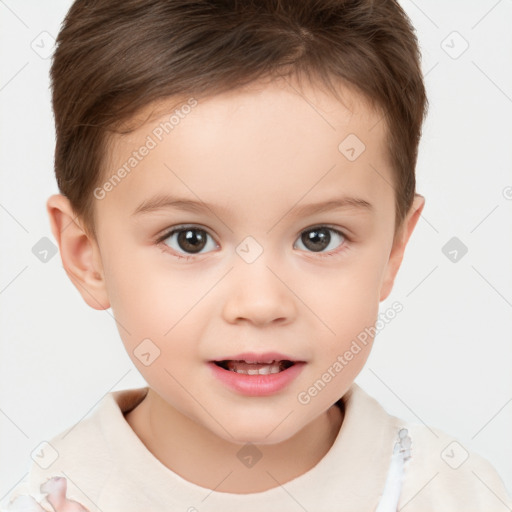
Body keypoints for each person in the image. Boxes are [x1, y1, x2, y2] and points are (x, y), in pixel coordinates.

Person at [3, 0, 511, 510]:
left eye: (319, 237)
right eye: (190, 239)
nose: (262, 302)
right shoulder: (56, 498)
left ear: (394, 250)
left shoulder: (451, 492)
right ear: (86, 255)